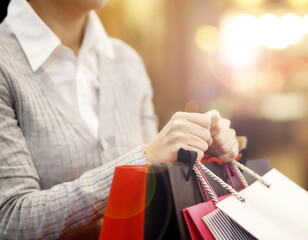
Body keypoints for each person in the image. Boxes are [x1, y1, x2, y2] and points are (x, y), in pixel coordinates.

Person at [0, 0, 239, 239]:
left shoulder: (126, 61)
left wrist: (202, 151)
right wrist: (141, 162)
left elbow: (155, 195)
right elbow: (8, 220)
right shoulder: (5, 64)